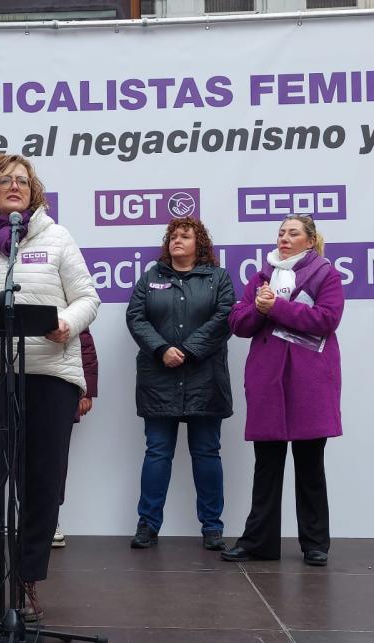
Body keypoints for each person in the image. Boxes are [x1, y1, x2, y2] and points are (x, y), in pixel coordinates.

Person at [0, 153, 99, 622]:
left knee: (40, 484)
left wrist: (66, 323)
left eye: (23, 181)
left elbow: (88, 296)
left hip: (50, 374)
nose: (15, 186)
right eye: (5, 180)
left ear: (34, 192)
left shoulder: (57, 237)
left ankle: (25, 584)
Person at [221, 214, 344, 567]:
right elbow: (238, 322)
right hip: (268, 381)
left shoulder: (324, 273)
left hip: (309, 382)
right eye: (280, 233)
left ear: (310, 239)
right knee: (267, 466)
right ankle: (259, 542)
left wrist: (277, 307)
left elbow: (327, 319)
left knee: (309, 466)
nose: (284, 238)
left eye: (293, 233)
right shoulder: (262, 276)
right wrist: (260, 310)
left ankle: (315, 544)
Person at [125, 217, 235, 551]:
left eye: (184, 236)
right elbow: (135, 317)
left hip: (205, 379)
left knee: (207, 453)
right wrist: (161, 349)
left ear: (198, 243)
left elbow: (225, 316)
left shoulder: (219, 278)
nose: (177, 240)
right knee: (157, 453)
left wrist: (187, 350)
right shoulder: (151, 277)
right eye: (172, 236)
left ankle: (213, 529)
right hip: (159, 378)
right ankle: (147, 526)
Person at [53, 327, 97, 549]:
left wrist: (87, 390)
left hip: (58, 389)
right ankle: (26, 517)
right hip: (15, 387)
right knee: (18, 457)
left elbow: (85, 345)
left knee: (56, 460)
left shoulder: (68, 299)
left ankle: (50, 519)